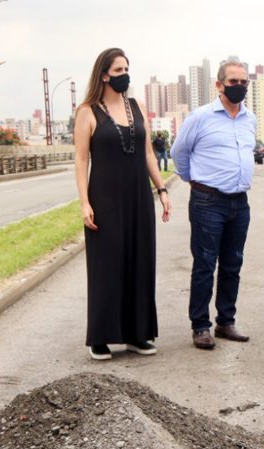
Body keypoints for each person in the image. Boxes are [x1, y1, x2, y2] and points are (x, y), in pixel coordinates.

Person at [73, 48, 172, 360]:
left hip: (138, 196)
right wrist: (84, 202)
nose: (124, 75)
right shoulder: (87, 111)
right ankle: (101, 336)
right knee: (107, 265)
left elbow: (147, 155)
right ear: (104, 74)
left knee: (141, 262)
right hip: (104, 197)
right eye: (118, 70)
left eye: (127, 68)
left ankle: (137, 334)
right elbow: (81, 159)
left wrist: (162, 190)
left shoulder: (137, 106)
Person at [170, 59, 257, 350]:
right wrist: (192, 180)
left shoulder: (250, 119)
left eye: (243, 82)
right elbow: (179, 152)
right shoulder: (201, 117)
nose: (239, 87)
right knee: (205, 264)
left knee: (233, 264)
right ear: (219, 85)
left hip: (239, 203)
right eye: (233, 82)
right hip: (208, 201)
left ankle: (226, 321)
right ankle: (200, 326)